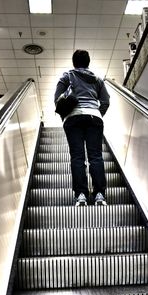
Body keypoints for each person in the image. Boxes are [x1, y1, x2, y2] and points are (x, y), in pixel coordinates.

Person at [54, 49, 110, 206]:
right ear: (88, 62)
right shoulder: (98, 79)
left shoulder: (67, 76)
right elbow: (105, 101)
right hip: (94, 118)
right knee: (96, 156)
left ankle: (81, 195)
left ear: (74, 62)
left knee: (77, 157)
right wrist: (97, 113)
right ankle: (99, 194)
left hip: (73, 118)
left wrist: (66, 115)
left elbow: (57, 99)